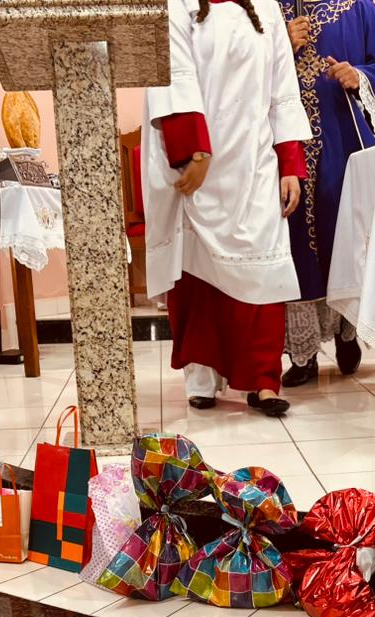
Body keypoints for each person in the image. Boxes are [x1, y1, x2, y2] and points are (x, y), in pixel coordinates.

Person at [144, 0, 311, 417]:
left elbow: (283, 89)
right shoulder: (177, 5)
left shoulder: (266, 8)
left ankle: (263, 381)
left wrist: (290, 163)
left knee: (264, 275)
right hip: (199, 164)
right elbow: (174, 78)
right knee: (198, 273)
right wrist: (194, 152)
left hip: (255, 162)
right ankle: (201, 379)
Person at [279, 0, 375, 388]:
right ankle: (302, 354)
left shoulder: (359, 8)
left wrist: (361, 76)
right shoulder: (269, 11)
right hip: (287, 144)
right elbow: (240, 71)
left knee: (344, 234)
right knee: (295, 240)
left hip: (342, 139)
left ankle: (347, 333)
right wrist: (281, 46)